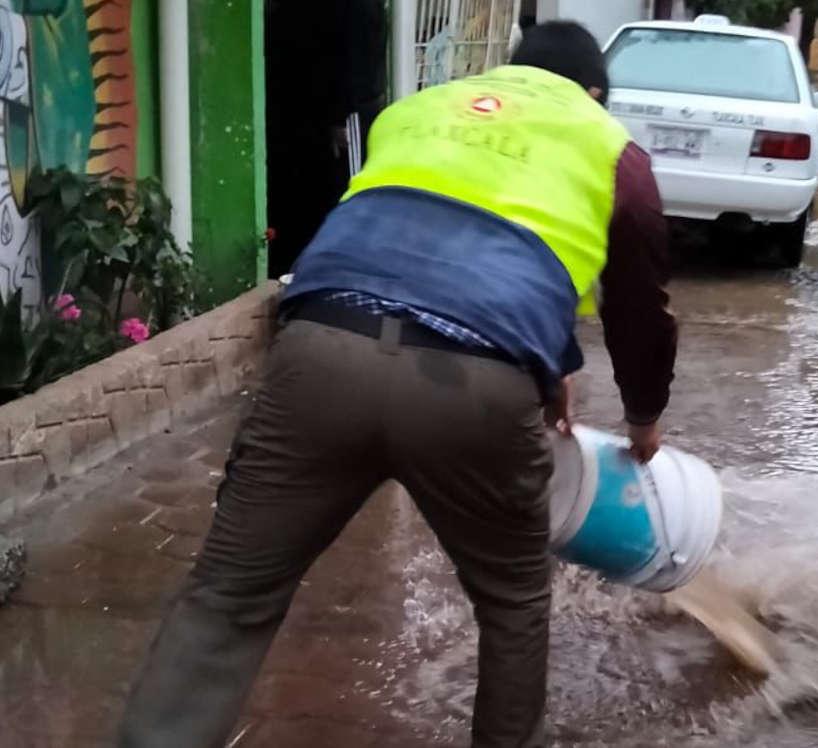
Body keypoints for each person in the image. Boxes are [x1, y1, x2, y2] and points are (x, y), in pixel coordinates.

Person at [118, 20, 676, 748]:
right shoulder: (612, 150)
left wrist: (554, 367)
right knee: (512, 605)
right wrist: (643, 419)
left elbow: (428, 242)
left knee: (227, 595)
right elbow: (636, 304)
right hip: (475, 386)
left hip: (319, 348)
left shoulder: (415, 112)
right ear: (595, 93)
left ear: (507, 73)